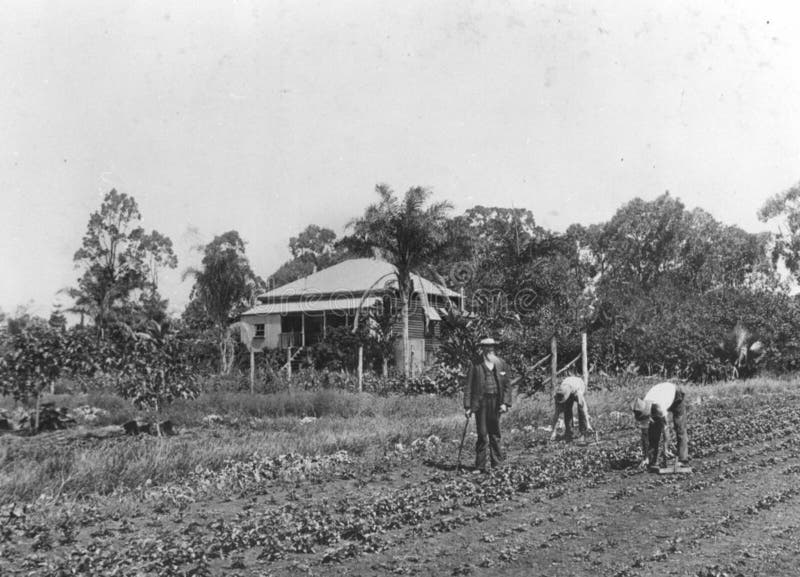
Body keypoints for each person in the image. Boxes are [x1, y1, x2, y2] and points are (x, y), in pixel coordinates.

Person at [463, 337, 514, 473]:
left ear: (494, 348)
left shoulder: (501, 363)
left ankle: (496, 465)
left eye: (491, 347)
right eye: (486, 347)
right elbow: (468, 386)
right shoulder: (475, 364)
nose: (489, 349)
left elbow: (507, 385)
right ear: (482, 348)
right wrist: (468, 407)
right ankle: (480, 466)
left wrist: (505, 403)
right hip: (481, 403)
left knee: (495, 433)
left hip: (496, 402)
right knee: (482, 434)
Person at [632, 381, 689, 472]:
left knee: (679, 426)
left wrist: (665, 447)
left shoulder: (658, 406)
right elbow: (645, 435)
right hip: (663, 393)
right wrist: (645, 457)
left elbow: (666, 427)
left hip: (676, 394)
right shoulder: (641, 409)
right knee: (653, 429)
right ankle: (651, 461)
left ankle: (683, 459)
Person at [549, 375, 594, 442]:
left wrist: (588, 425)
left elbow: (584, 409)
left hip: (579, 385)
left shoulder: (578, 393)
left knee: (580, 410)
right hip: (568, 384)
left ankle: (583, 432)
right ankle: (568, 432)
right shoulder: (559, 393)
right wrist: (553, 432)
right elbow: (556, 414)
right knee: (567, 409)